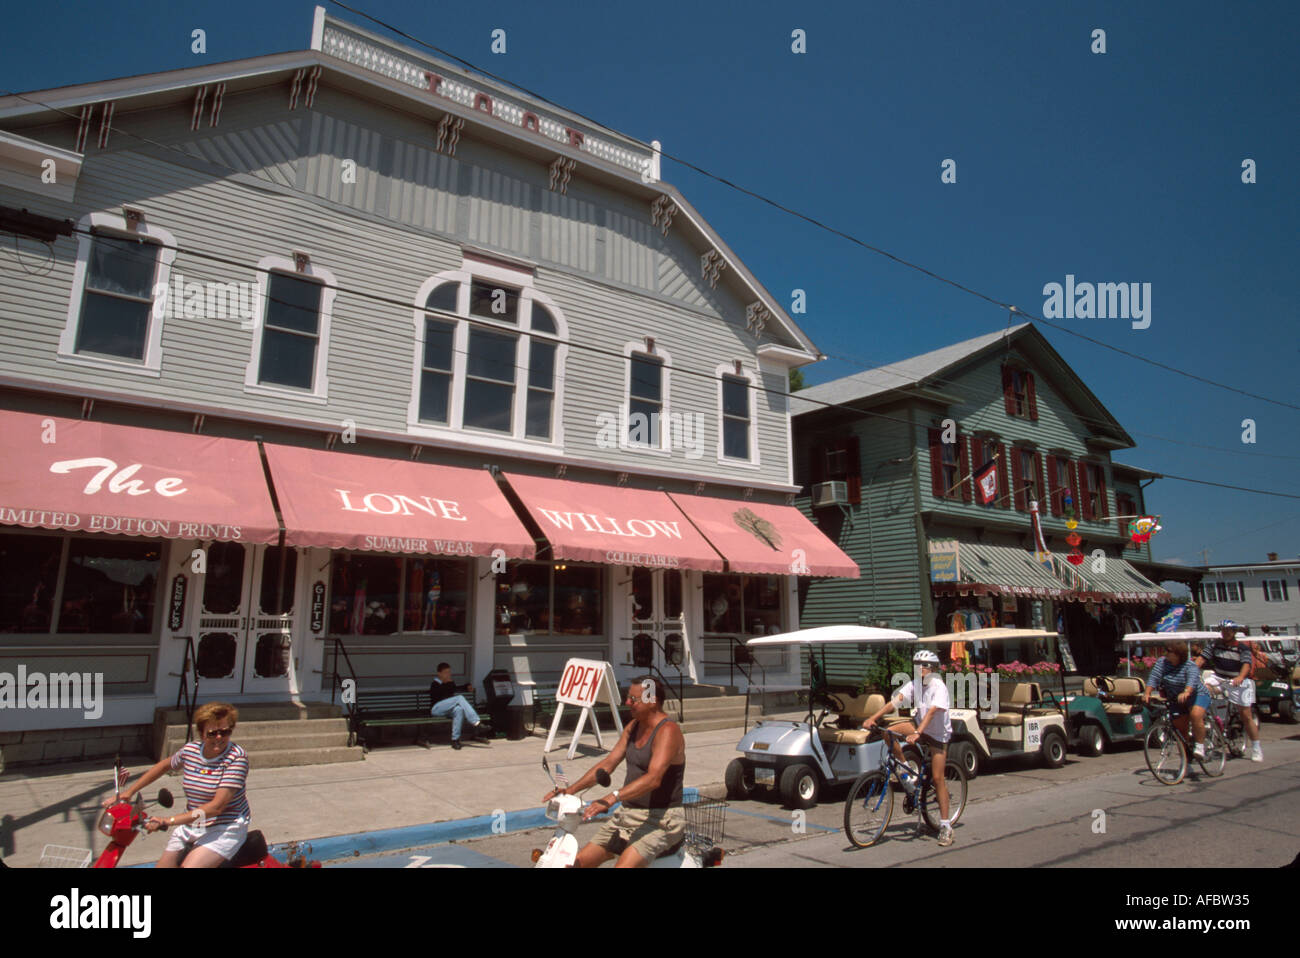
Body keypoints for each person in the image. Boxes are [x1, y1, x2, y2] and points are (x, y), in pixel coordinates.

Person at [541, 676, 686, 867]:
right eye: (628, 697)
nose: (627, 703)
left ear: (652, 702)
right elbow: (608, 763)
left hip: (660, 820)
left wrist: (612, 797)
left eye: (634, 700)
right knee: (574, 864)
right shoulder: (633, 727)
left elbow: (653, 779)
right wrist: (569, 791)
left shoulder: (668, 731)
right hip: (627, 815)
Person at [110, 701, 251, 867]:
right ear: (201, 733)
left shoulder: (236, 758)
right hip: (193, 823)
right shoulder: (190, 751)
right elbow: (164, 765)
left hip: (225, 826)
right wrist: (130, 792)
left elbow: (215, 808)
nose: (219, 738)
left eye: (225, 732)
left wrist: (167, 821)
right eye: (212, 733)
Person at [861, 649, 954, 847]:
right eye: (918, 665)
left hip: (937, 735)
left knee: (938, 779)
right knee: (888, 732)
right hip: (918, 726)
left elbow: (931, 712)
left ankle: (946, 827)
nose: (921, 668)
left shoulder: (939, 686)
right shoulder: (914, 684)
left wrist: (918, 732)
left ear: (934, 669)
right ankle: (906, 774)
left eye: (925, 665)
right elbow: (894, 702)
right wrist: (873, 718)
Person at [1196, 621, 1262, 761]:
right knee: (1202, 689)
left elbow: (1246, 665)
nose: (1225, 632)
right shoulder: (1214, 644)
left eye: (1228, 630)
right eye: (1223, 630)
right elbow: (1201, 659)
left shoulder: (1242, 648)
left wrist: (1240, 677)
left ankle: (1256, 747)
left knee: (1246, 716)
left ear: (1234, 632)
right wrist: (1191, 670)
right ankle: (1210, 720)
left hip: (1237, 680)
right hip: (1219, 678)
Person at [1143, 640, 1210, 758]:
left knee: (1195, 715)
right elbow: (1154, 677)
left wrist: (1186, 691)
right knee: (1180, 727)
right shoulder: (1162, 663)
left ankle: (1200, 746)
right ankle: (1186, 755)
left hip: (1197, 695)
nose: (1166, 653)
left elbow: (1192, 681)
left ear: (1178, 654)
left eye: (1169, 651)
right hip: (1175, 697)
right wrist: (1147, 693)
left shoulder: (1190, 666)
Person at [430, 662, 489, 749]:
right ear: (439, 673)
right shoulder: (435, 684)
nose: (448, 674)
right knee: (459, 698)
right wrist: (446, 683)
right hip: (436, 709)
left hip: (447, 710)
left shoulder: (449, 683)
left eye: (449, 672)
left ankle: (455, 740)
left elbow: (456, 689)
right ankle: (476, 723)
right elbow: (439, 696)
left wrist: (467, 686)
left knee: (459, 710)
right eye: (446, 672)